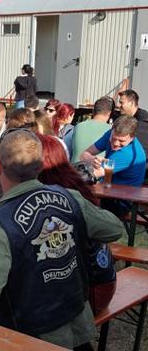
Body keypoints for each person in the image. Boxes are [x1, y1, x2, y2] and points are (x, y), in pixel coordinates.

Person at [0, 129, 123, 350]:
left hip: (27, 340)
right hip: (74, 322)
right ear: (41, 166)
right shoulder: (70, 198)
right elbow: (114, 229)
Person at [38, 134, 117, 315]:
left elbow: (115, 229)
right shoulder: (69, 182)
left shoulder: (66, 193)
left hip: (91, 289)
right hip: (90, 280)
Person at [80, 116, 146, 188]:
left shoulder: (127, 154)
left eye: (121, 141)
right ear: (111, 131)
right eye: (113, 138)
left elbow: (89, 174)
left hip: (123, 193)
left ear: (132, 138)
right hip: (108, 187)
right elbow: (83, 154)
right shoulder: (111, 133)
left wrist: (87, 160)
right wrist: (91, 159)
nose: (116, 143)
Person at [71, 96, 114, 163]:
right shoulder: (111, 130)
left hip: (74, 168)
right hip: (97, 168)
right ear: (109, 113)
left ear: (93, 111)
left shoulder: (78, 126)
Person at [117, 88, 148, 159]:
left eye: (121, 103)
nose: (119, 106)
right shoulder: (124, 117)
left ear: (132, 103)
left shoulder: (143, 119)